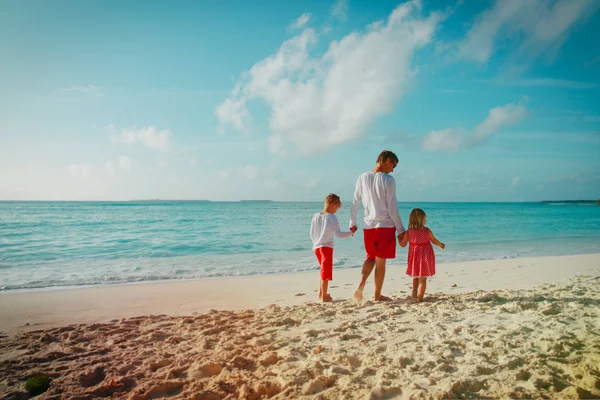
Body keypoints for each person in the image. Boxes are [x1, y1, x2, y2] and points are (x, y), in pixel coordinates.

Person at [350, 150, 405, 301]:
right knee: (380, 261)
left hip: (368, 226)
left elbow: (355, 202)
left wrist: (352, 223)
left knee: (370, 257)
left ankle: (360, 285)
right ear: (387, 160)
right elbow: (392, 208)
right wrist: (401, 230)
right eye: (393, 165)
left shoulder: (362, 177)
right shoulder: (388, 180)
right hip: (385, 225)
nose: (393, 169)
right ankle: (377, 296)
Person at [310, 193, 356, 302]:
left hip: (316, 247)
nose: (336, 210)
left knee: (323, 271)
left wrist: (316, 243)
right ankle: (324, 297)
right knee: (325, 273)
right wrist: (351, 232)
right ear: (333, 205)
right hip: (326, 247)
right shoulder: (332, 217)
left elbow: (311, 234)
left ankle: (322, 294)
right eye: (337, 208)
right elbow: (339, 234)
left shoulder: (315, 216)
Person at [399, 208, 445, 303]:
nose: (426, 221)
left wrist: (399, 238)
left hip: (415, 257)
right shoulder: (427, 231)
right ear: (421, 220)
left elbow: (403, 244)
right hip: (426, 256)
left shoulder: (409, 232)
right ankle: (419, 298)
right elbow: (434, 240)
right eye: (425, 219)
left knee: (415, 276)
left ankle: (414, 294)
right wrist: (441, 244)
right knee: (422, 279)